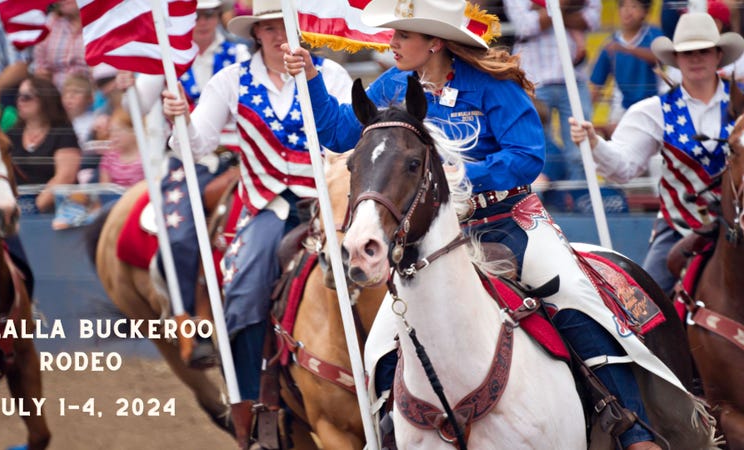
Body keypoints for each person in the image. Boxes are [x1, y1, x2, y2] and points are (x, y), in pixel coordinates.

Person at [283, 1, 714, 448]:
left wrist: (462, 177)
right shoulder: (393, 85)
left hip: (509, 221)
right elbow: (342, 133)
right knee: (380, 344)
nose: (391, 43)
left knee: (576, 295)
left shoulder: (492, 84)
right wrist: (311, 80)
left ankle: (633, 427)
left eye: (403, 36)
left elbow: (527, 156)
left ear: (434, 42)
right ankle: (390, 432)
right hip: (437, 236)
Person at [160, 0, 351, 446]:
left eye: (286, 25)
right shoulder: (231, 80)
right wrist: (180, 118)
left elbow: (346, 140)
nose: (279, 35)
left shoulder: (331, 74)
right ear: (256, 34)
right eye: (269, 27)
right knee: (244, 290)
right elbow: (196, 145)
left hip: (326, 201)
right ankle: (254, 401)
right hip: (269, 207)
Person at [113, 0, 251, 370]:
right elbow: (136, 106)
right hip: (188, 160)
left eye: (209, 14)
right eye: (196, 15)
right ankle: (187, 321)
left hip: (243, 156)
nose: (202, 22)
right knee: (179, 236)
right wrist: (128, 87)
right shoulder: (168, 58)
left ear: (218, 16)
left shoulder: (241, 55)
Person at [570, 12, 744, 294]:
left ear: (718, 55)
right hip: (681, 228)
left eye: (703, 51)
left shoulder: (742, 100)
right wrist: (594, 143)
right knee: (644, 301)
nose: (696, 58)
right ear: (676, 59)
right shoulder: (653, 111)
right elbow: (623, 167)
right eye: (687, 53)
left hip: (740, 226)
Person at [504, 0, 601, 181]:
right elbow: (526, 25)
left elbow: (592, 20)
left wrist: (544, 8)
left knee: (580, 152)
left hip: (574, 79)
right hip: (532, 80)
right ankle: (542, 198)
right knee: (536, 150)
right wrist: (568, 4)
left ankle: (578, 196)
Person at [9, 76, 81, 213]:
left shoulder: (63, 132)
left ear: (44, 99)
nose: (19, 101)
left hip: (58, 208)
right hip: (17, 207)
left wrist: (35, 208)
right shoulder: (11, 135)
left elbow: (66, 177)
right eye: (18, 96)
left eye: (26, 97)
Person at [589, 0, 662, 131]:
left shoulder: (653, 35)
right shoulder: (610, 45)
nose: (627, 11)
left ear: (645, 11)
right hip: (623, 108)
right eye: (623, 6)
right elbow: (597, 85)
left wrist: (627, 49)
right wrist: (585, 114)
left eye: (634, 6)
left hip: (653, 107)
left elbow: (659, 57)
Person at [32, 0, 89, 91]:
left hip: (92, 92)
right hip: (56, 92)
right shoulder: (51, 22)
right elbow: (41, 68)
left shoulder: (100, 23)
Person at [97, 108, 145, 188]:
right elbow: (104, 188)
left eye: (119, 130)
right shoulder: (109, 157)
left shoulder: (145, 157)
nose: (114, 135)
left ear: (134, 131)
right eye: (111, 131)